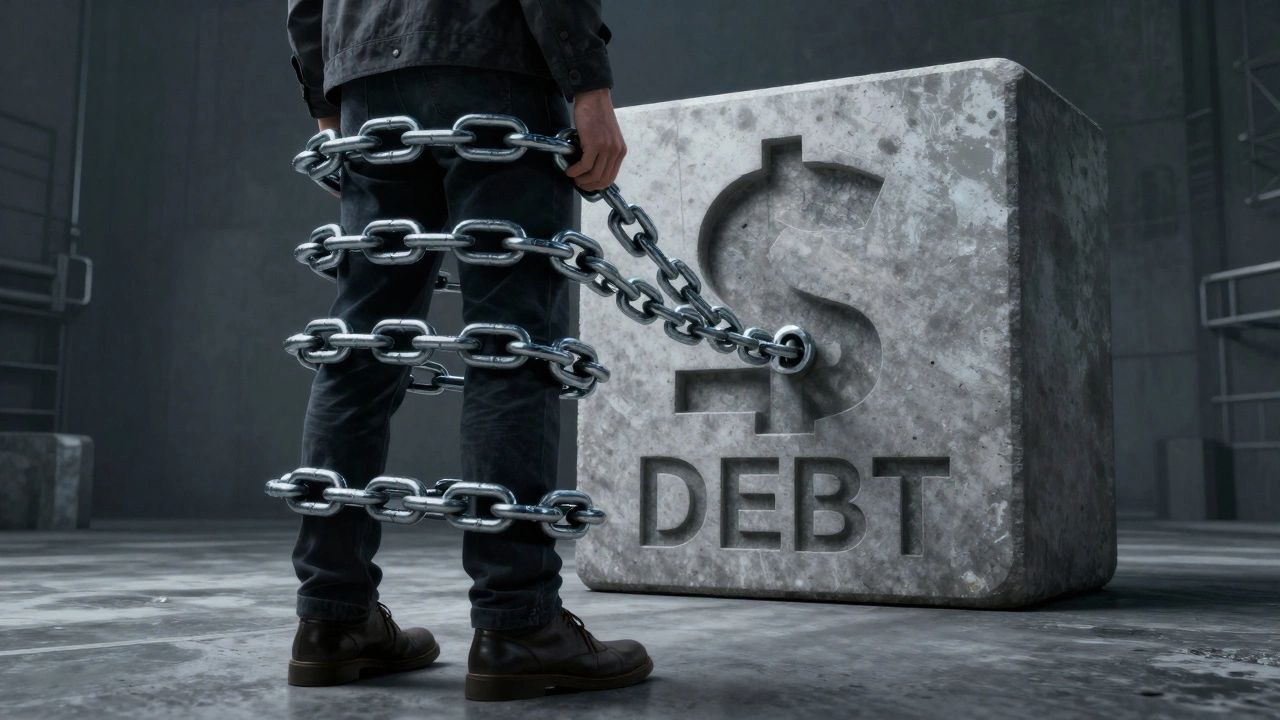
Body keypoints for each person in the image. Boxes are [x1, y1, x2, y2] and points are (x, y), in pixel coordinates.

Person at [283, 0, 651, 701]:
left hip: (364, 70)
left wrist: (324, 94)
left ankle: (333, 620)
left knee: (361, 345)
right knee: (511, 340)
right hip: (493, 55)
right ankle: (518, 624)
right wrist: (588, 85)